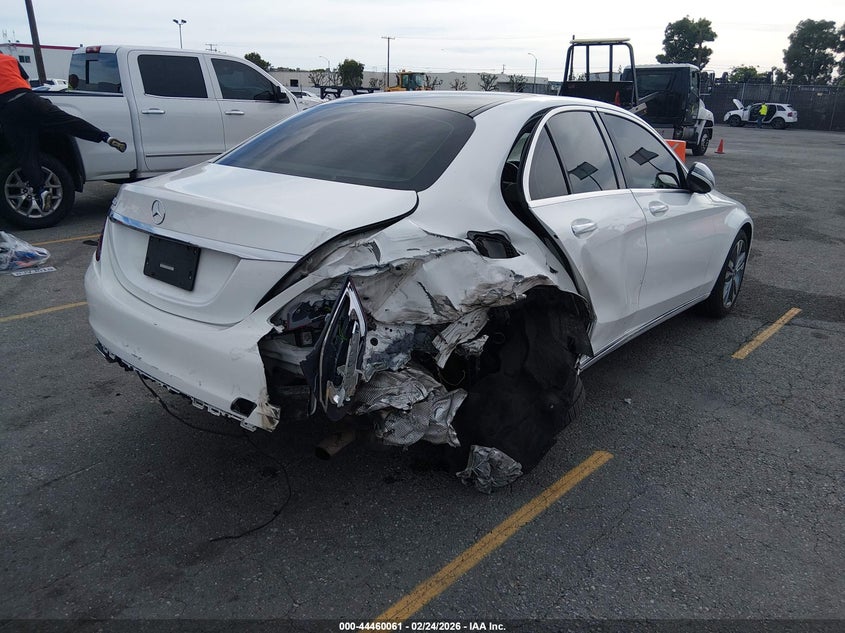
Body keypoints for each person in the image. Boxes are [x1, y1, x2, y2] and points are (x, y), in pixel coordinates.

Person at [0, 52, 127, 213]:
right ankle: (105, 137)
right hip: (30, 99)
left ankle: (41, 191)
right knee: (68, 122)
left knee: (27, 153)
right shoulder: (10, 59)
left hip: (8, 108)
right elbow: (25, 81)